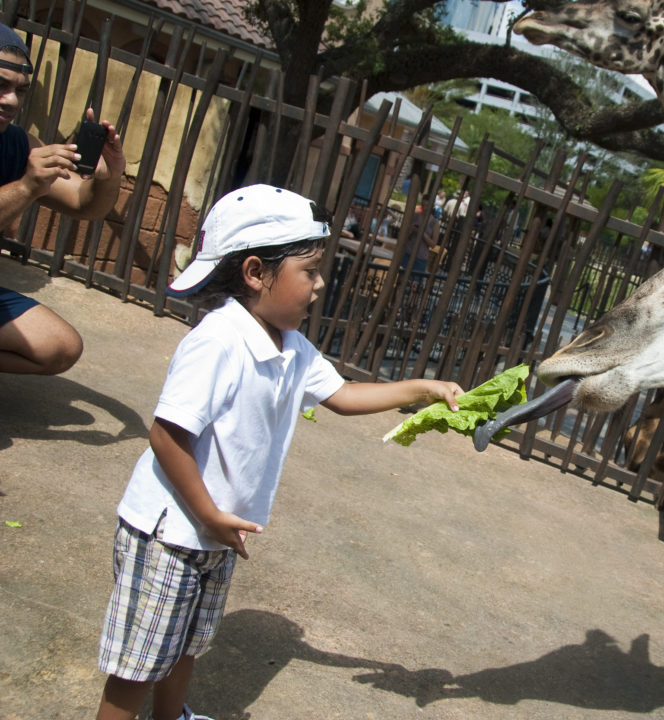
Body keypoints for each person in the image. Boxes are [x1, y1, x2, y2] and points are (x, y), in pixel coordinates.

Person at [93, 185, 463, 720]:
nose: (320, 286)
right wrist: (209, 514)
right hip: (171, 530)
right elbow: (166, 436)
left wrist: (424, 389)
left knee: (187, 644)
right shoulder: (219, 341)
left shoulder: (290, 345)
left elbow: (344, 396)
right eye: (309, 272)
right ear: (254, 273)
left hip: (217, 530)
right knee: (138, 667)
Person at [0, 23, 125, 374]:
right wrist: (26, 187)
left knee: (60, 346)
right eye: (1, 85)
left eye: (20, 90)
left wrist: (108, 175)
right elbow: (29, 187)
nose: (11, 100)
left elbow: (85, 204)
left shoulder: (18, 144)